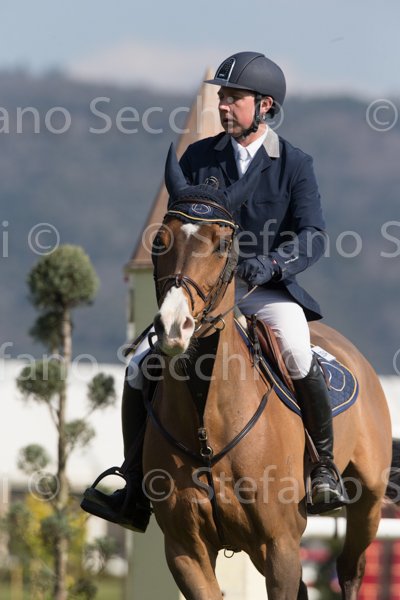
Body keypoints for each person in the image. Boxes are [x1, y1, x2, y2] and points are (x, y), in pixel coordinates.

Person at [81, 51, 345, 531]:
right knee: (139, 363)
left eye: (233, 98)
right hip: (202, 294)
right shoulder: (199, 158)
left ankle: (323, 466)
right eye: (222, 97)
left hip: (262, 288)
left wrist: (270, 264)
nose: (223, 106)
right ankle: (134, 482)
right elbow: (179, 231)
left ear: (265, 105)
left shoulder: (294, 164)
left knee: (296, 350)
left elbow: (313, 236)